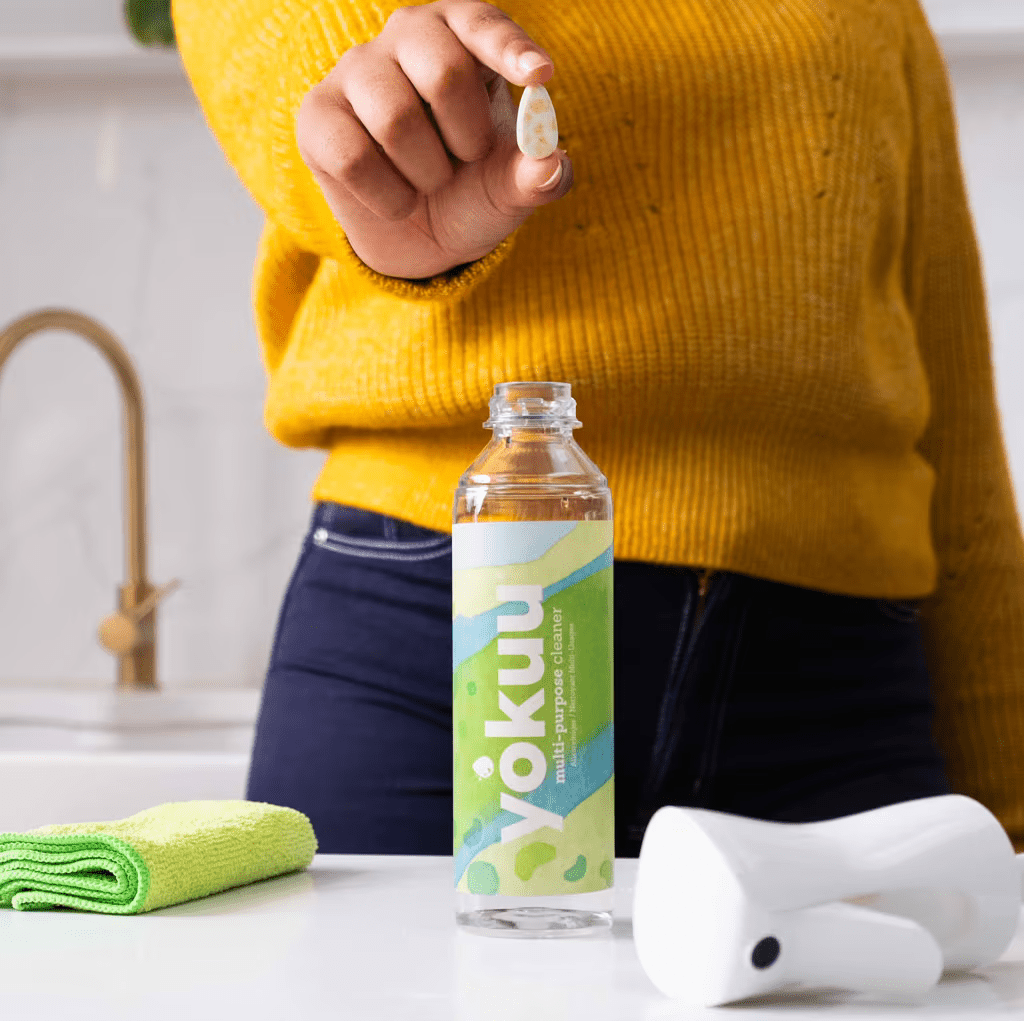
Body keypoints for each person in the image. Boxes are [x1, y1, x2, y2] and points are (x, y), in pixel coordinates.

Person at [172, 0, 1024, 855]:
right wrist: (389, 131)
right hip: (447, 625)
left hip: (836, 686)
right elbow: (295, 53)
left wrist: (1013, 818)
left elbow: (956, 436)